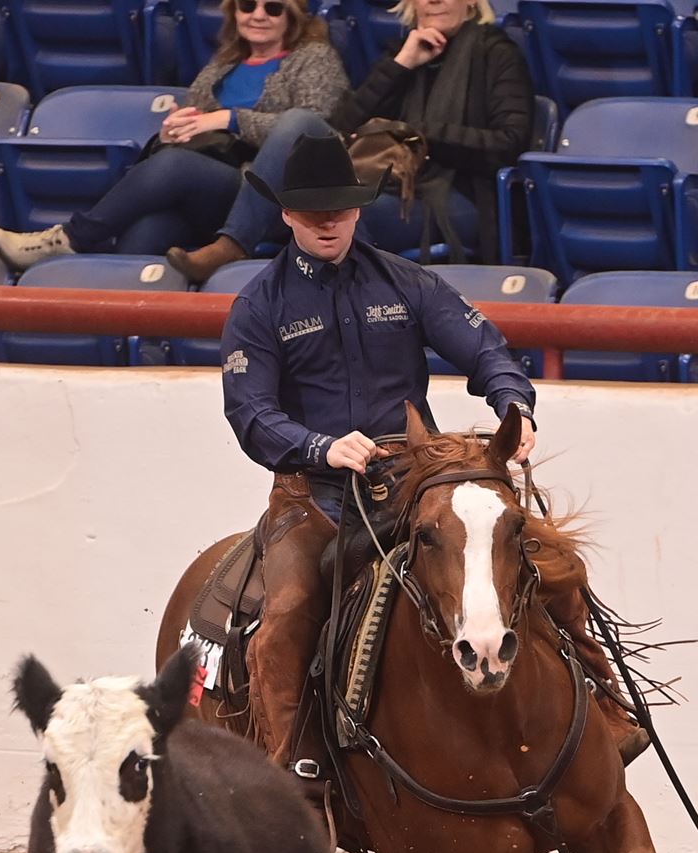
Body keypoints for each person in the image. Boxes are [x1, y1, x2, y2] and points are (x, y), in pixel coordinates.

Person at [220, 132, 648, 786]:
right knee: (291, 607)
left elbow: (484, 348)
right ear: (287, 216)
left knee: (556, 565)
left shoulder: (406, 281)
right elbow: (250, 411)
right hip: (316, 495)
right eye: (312, 212)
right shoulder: (261, 305)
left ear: (358, 210)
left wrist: (515, 403)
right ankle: (296, 758)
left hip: (416, 481)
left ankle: (606, 703)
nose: (328, 222)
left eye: (339, 208)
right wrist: (320, 445)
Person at [0, 0, 349, 275]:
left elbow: (311, 125)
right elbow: (199, 130)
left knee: (175, 166)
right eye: (246, 4)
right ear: (233, 12)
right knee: (147, 230)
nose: (257, 14)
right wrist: (174, 129)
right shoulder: (223, 64)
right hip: (214, 188)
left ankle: (71, 238)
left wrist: (230, 118)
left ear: (292, 16)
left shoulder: (314, 58)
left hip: (273, 194)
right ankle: (117, 338)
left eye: (272, 8)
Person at [330, 0, 533, 264]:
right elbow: (344, 127)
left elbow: (508, 144)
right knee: (316, 201)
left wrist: (421, 135)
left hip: (466, 195)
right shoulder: (403, 53)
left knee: (344, 214)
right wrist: (401, 65)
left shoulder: (497, 54)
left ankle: (363, 300)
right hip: (394, 186)